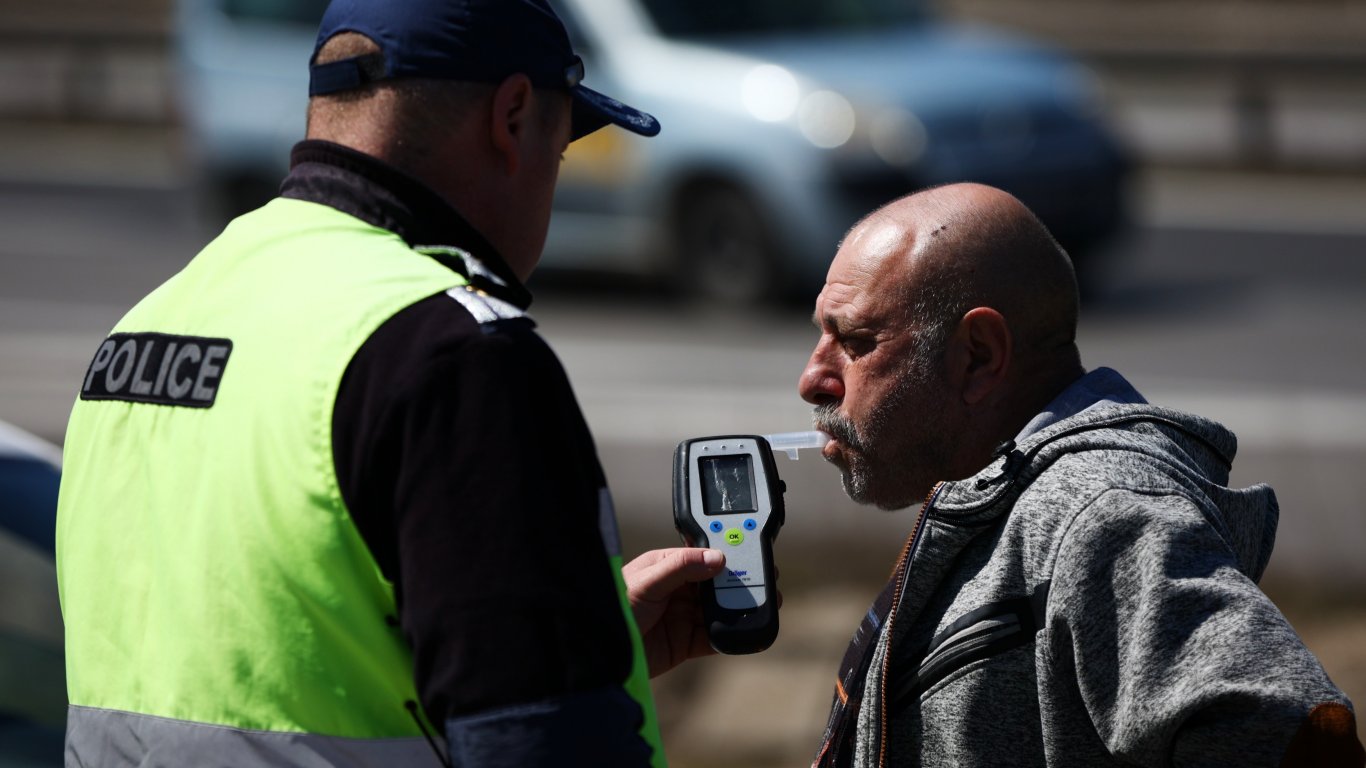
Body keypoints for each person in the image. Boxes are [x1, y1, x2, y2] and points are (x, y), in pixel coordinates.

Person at [55, 0, 723, 765]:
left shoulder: (148, 324)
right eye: (560, 148)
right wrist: (558, 657)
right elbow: (544, 744)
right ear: (511, 118)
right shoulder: (453, 355)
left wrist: (578, 627)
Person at [797, 183, 1364, 767]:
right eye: (821, 333)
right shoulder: (1000, 496)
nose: (812, 379)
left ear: (979, 357)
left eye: (857, 342)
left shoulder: (1100, 515)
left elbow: (1291, 735)